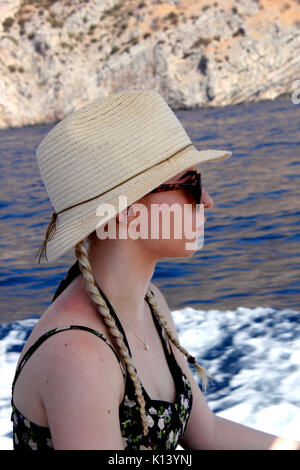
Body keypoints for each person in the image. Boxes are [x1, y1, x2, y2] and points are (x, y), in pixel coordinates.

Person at [10, 90, 299, 450]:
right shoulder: (80, 353)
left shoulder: (150, 303)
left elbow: (206, 434)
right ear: (127, 210)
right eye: (191, 184)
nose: (207, 201)